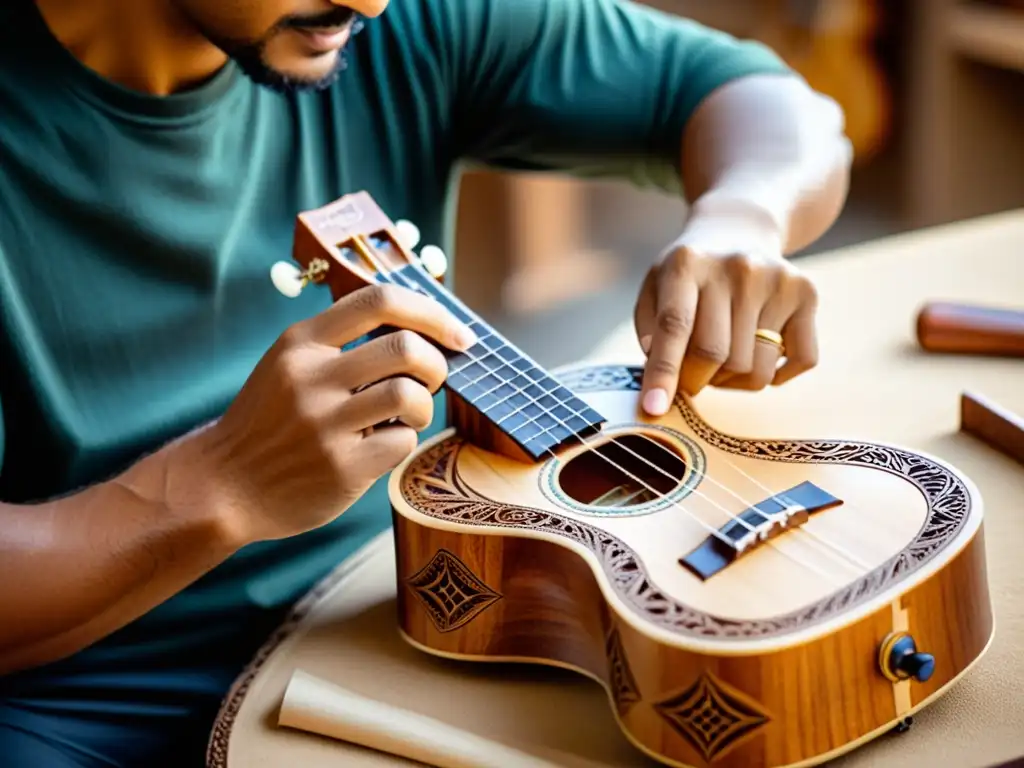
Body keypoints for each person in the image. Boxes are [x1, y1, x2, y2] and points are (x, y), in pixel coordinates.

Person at [0, 0, 852, 765]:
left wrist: (744, 217)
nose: (370, 1)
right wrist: (213, 486)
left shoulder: (391, 22)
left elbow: (763, 101)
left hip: (432, 615)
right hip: (83, 712)